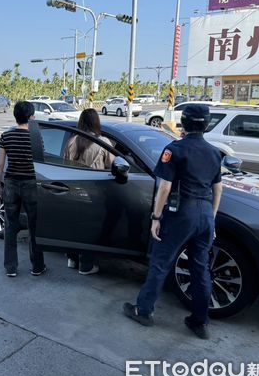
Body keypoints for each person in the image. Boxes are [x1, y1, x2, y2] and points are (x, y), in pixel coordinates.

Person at [123, 104, 223, 339]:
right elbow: (218, 189)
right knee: (200, 269)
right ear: (206, 125)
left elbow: (165, 187)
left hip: (181, 214)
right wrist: (212, 219)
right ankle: (200, 322)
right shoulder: (214, 152)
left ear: (184, 123)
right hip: (206, 214)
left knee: (160, 263)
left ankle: (143, 310)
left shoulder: (174, 150)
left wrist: (156, 217)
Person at [0, 101, 46, 277]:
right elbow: (42, 164)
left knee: (10, 225)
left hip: (10, 183)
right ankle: (37, 266)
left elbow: (0, 165)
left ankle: (11, 267)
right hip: (31, 184)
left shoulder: (6, 136)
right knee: (34, 226)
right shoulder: (36, 137)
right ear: (31, 117)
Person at [64, 108, 114, 275]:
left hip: (72, 190)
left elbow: (64, 164)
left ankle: (72, 259)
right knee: (89, 228)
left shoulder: (72, 141)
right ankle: (85, 265)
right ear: (96, 122)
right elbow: (112, 166)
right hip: (93, 192)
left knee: (74, 225)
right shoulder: (103, 142)